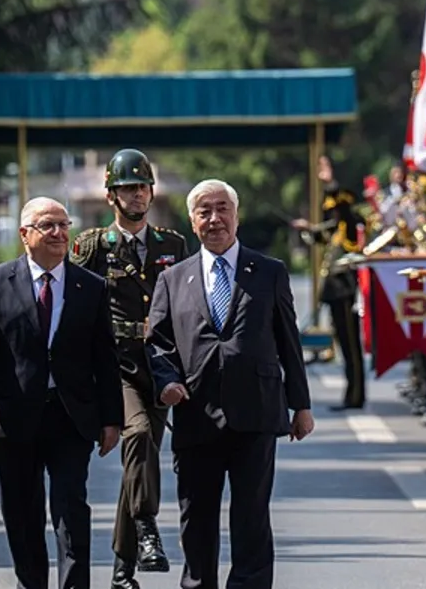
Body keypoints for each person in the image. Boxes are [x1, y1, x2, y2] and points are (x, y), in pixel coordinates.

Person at [147, 179, 314, 589]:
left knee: (252, 515)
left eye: (223, 209)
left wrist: (301, 405)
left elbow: (288, 340)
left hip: (255, 410)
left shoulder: (269, 272)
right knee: (196, 515)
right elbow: (156, 343)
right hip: (195, 413)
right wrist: (166, 383)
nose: (215, 218)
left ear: (236, 215)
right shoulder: (173, 279)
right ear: (192, 220)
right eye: (205, 211)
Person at [0, 196, 123, 589]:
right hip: (14, 418)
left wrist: (111, 419)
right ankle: (31, 582)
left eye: (63, 225)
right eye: (47, 226)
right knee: (22, 511)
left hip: (71, 417)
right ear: (24, 234)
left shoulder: (91, 286)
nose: (58, 233)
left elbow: (105, 356)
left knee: (71, 506)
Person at [70, 148, 188, 589]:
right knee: (137, 437)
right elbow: (76, 306)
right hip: (116, 367)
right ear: (111, 196)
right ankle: (147, 527)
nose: (137, 195)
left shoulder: (173, 245)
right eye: (127, 188)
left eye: (142, 187)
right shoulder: (93, 246)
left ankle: (122, 572)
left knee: (138, 465)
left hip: (160, 366)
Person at [292, 155, 365, 410]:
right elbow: (321, 233)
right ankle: (351, 394)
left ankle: (355, 396)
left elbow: (343, 214)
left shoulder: (351, 225)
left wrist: (331, 182)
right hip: (335, 294)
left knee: (351, 347)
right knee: (344, 345)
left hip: (345, 292)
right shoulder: (337, 232)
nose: (332, 211)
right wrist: (306, 227)